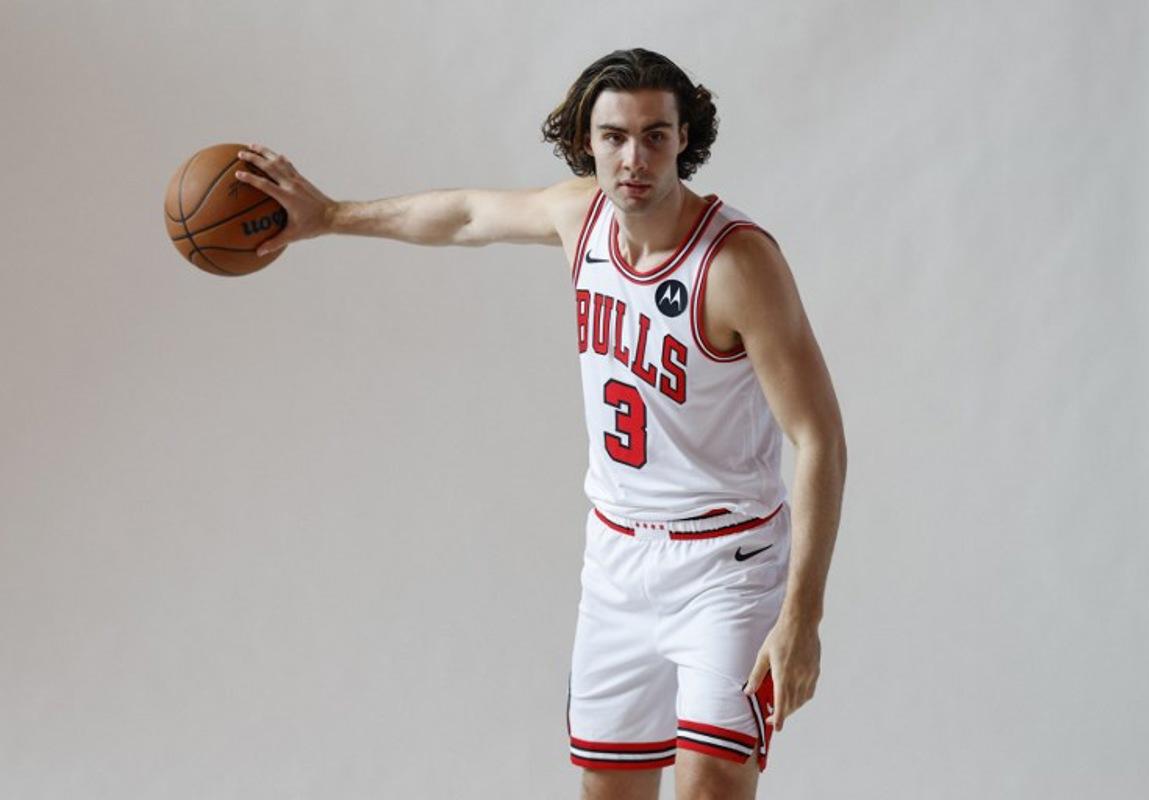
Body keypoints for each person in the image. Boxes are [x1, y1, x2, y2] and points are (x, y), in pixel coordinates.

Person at [234, 47, 847, 800]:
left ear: (685, 138)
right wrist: (330, 216)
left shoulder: (736, 264)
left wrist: (803, 615)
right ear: (587, 141)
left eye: (655, 135)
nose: (634, 158)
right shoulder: (579, 215)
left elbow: (819, 438)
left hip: (727, 564)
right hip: (617, 556)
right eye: (614, 136)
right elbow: (465, 215)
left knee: (712, 786)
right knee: (606, 790)